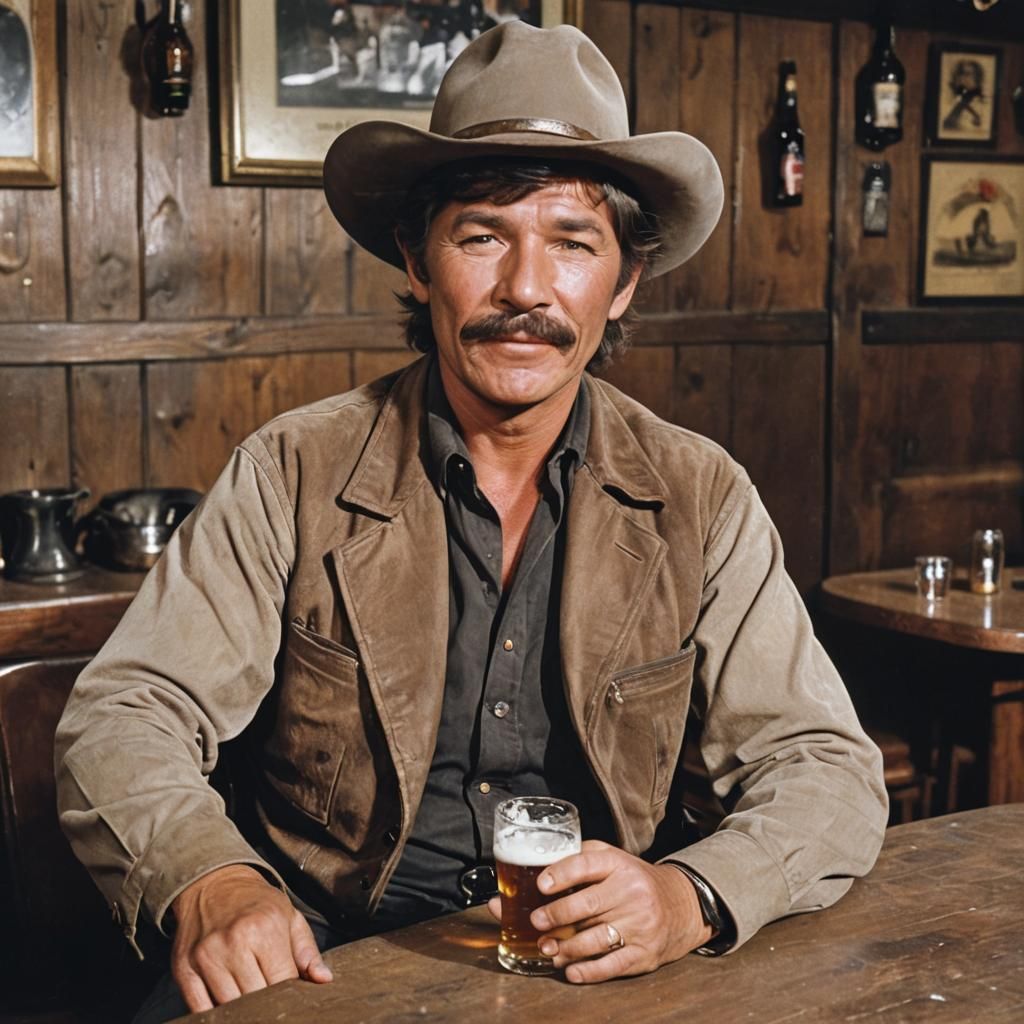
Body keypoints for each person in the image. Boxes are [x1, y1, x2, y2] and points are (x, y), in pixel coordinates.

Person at [55, 21, 888, 1023]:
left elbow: (826, 768)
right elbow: (123, 712)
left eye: (572, 244)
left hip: (598, 968)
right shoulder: (291, 467)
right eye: (482, 235)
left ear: (622, 283)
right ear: (418, 260)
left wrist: (692, 895)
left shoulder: (697, 493)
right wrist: (212, 879)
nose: (525, 289)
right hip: (323, 955)